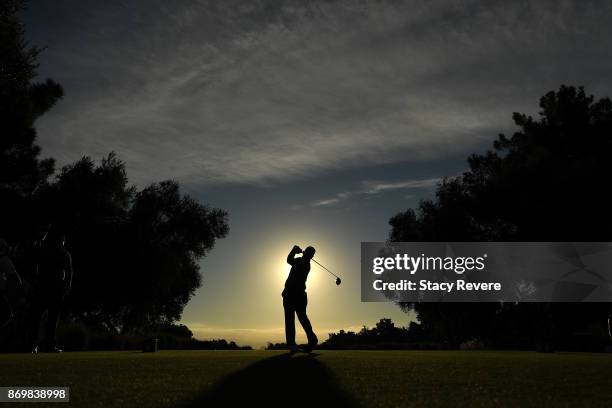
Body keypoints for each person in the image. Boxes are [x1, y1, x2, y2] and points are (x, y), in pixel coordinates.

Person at [29, 227, 73, 353]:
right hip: (55, 289)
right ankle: (48, 345)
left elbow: (35, 267)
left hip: (42, 287)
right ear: (61, 240)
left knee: (37, 316)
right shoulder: (64, 253)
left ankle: (33, 344)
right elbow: (69, 272)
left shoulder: (44, 251)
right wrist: (67, 285)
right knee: (52, 319)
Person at [282, 245, 318, 353]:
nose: (306, 252)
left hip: (294, 294)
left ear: (309, 255)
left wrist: (294, 250)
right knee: (300, 318)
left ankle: (294, 344)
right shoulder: (302, 261)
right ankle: (311, 339)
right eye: (307, 251)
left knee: (293, 319)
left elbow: (289, 261)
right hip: (295, 294)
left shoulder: (303, 263)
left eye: (308, 252)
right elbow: (289, 260)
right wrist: (293, 251)